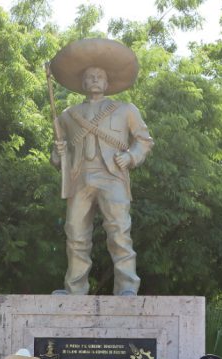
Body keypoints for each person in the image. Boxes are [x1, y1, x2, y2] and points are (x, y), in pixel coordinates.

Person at [49, 38, 154, 296]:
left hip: (113, 178)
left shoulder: (126, 110)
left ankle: (127, 288)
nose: (95, 80)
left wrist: (130, 157)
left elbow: (144, 140)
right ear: (83, 83)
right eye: (90, 76)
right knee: (75, 235)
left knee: (119, 232)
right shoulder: (67, 115)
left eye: (99, 76)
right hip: (80, 178)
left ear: (107, 83)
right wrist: (57, 153)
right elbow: (58, 157)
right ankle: (74, 289)